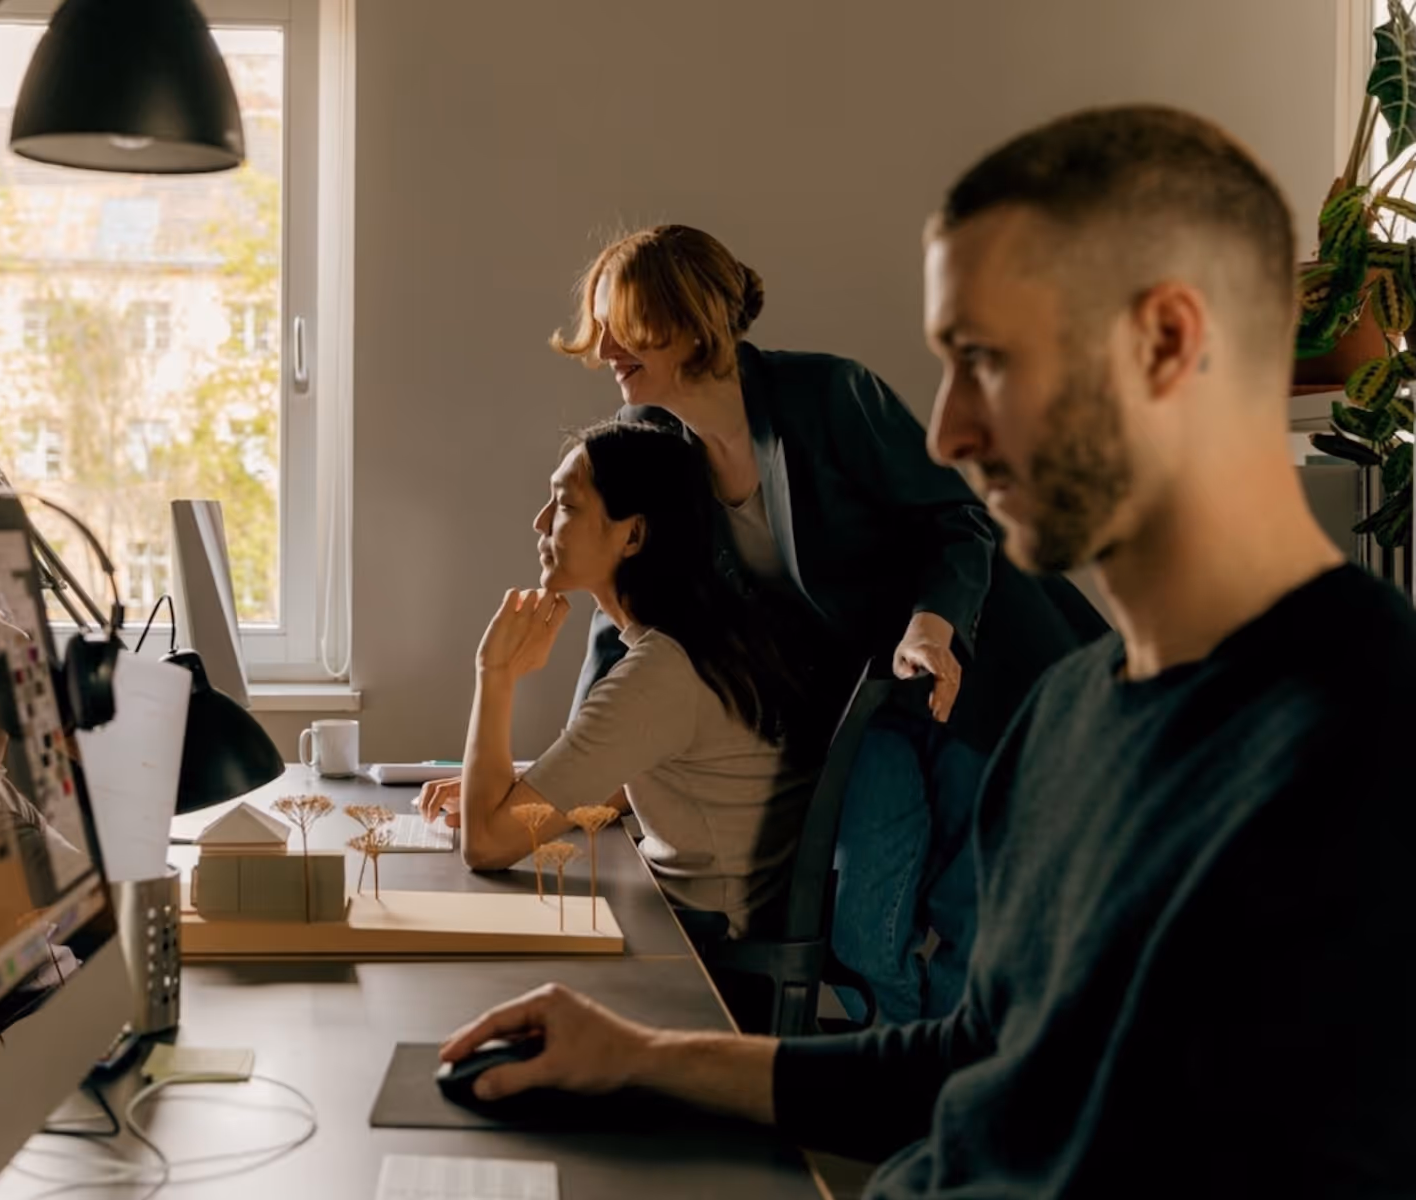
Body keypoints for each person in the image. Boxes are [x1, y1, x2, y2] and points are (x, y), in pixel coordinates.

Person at [437, 105, 1416, 1196]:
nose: (945, 431)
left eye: (983, 361)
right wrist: (640, 1058)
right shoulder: (1067, 716)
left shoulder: (1363, 736)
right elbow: (974, 1069)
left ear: (1167, 340)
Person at [553, 224, 1103, 1023]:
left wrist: (931, 624)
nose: (601, 347)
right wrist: (569, 772)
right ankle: (899, 1080)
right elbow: (635, 606)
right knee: (865, 920)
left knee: (971, 905)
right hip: (868, 701)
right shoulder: (659, 445)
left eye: (620, 325)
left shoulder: (827, 396)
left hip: (976, 668)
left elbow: (958, 522)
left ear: (687, 321)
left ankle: (954, 1102)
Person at [418, 420, 821, 941]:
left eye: (565, 505)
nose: (540, 522)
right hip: (687, 920)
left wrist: (494, 674)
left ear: (632, 534)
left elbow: (487, 846)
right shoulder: (704, 638)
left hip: (704, 955)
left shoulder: (661, 673)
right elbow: (633, 780)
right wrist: (518, 789)